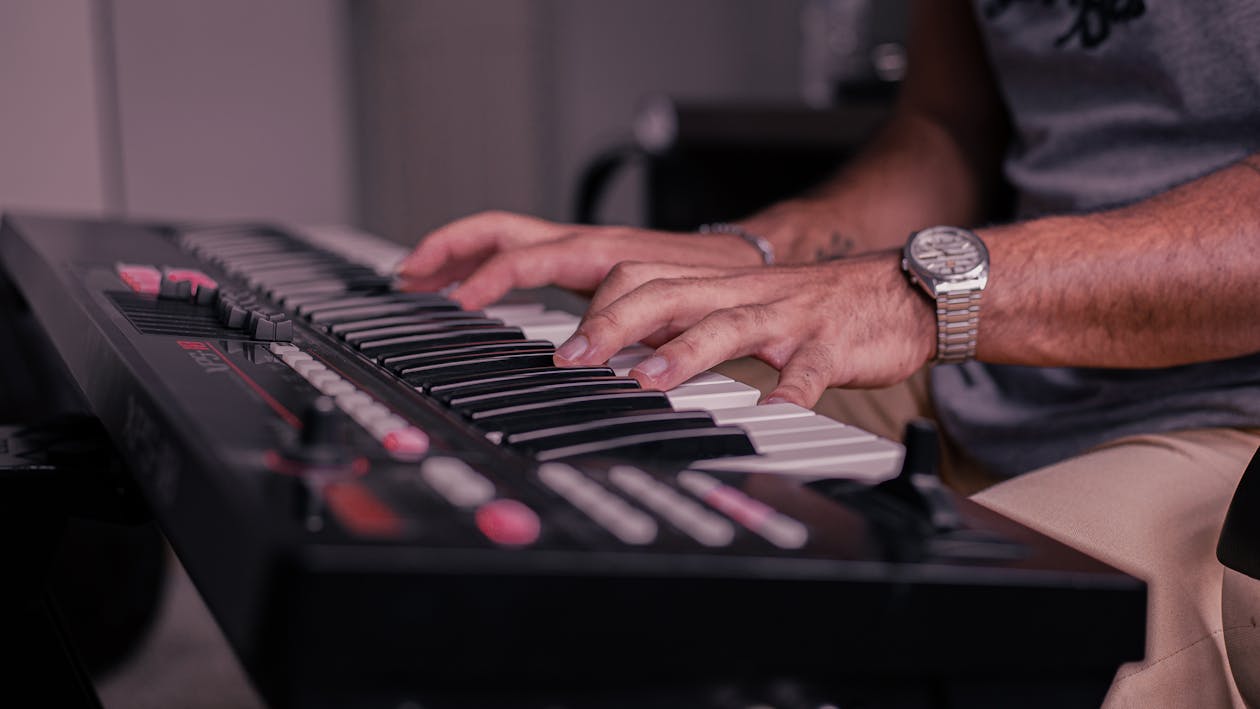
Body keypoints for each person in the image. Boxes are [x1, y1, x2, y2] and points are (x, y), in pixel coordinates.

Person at [397, 1, 1260, 705]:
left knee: (947, 652)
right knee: (591, 451)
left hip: (1235, 416)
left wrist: (918, 294)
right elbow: (945, 130)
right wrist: (763, 252)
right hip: (999, 370)